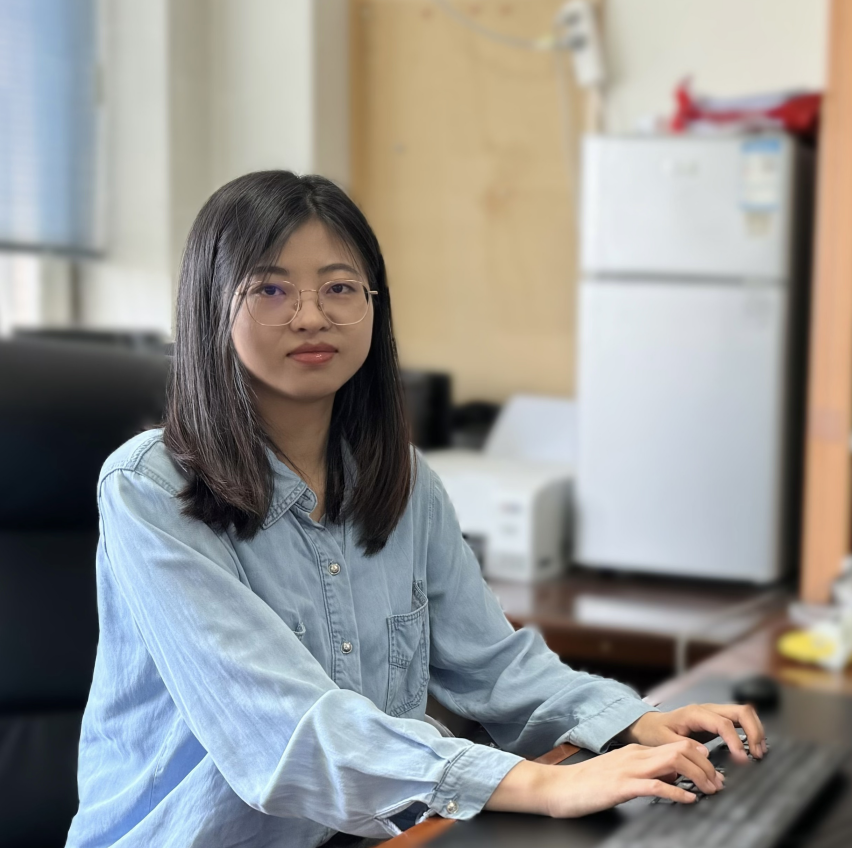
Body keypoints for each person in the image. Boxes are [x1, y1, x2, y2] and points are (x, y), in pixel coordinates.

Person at [65, 171, 765, 848]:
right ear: (210, 305)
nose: (311, 316)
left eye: (340, 287)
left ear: (374, 305)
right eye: (270, 289)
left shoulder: (401, 480)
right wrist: (545, 784)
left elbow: (492, 665)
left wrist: (632, 722)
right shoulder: (151, 488)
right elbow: (285, 730)